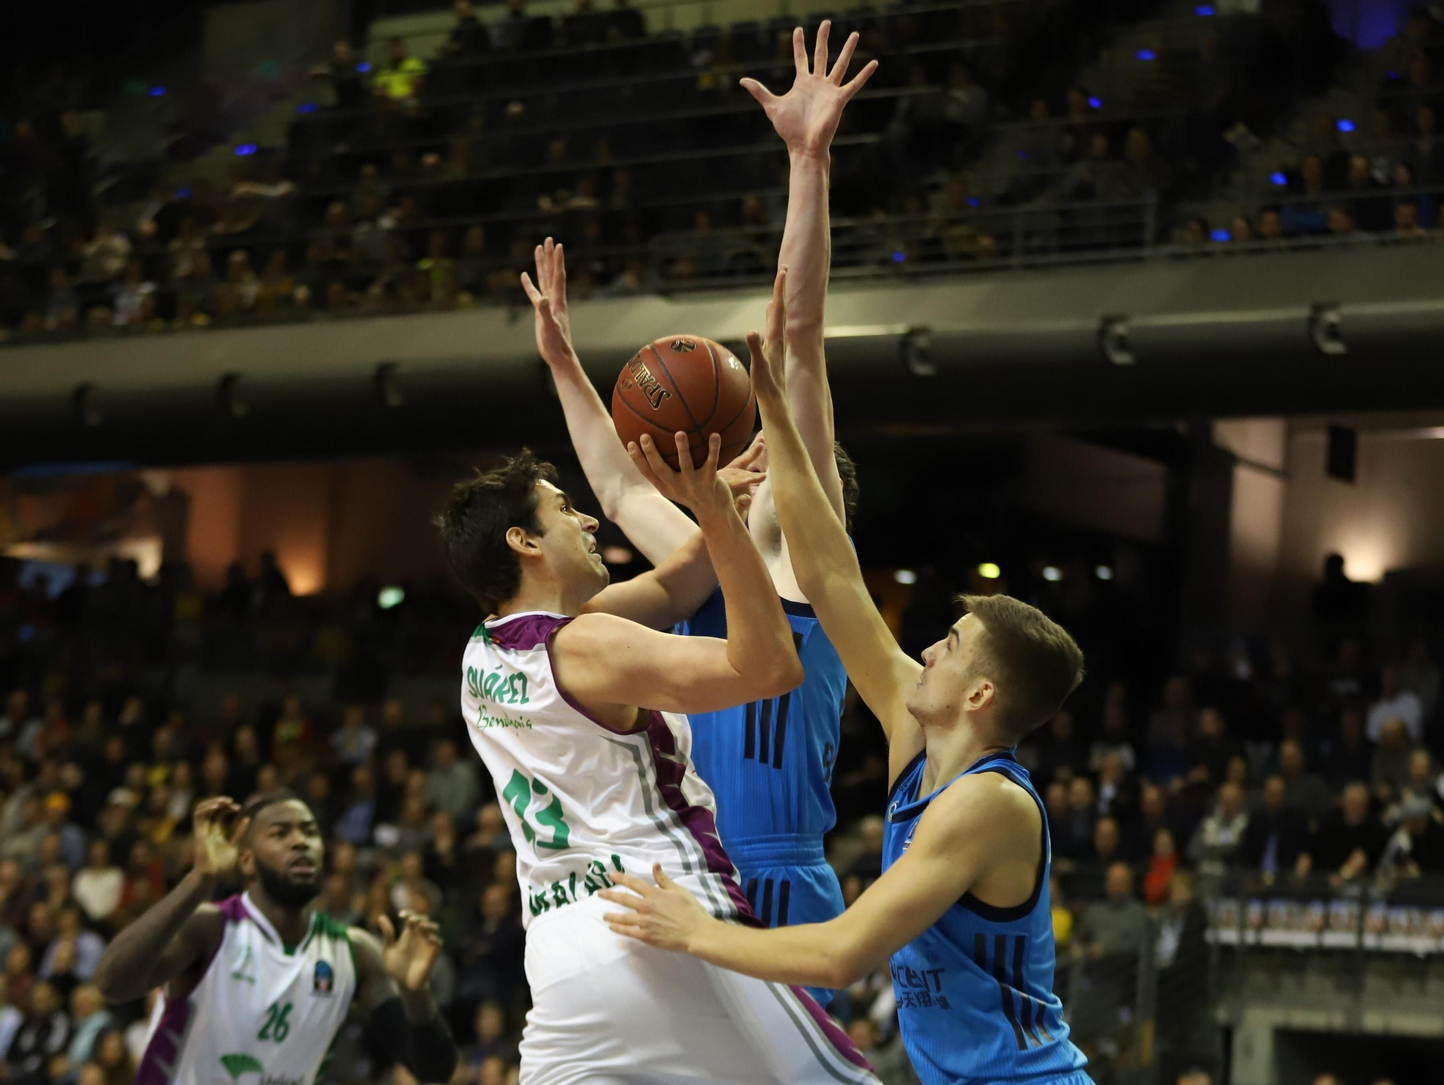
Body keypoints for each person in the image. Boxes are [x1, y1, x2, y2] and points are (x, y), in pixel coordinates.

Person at [598, 260, 1091, 1083]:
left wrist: (694, 931)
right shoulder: (916, 738)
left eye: (951, 644)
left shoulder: (990, 803)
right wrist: (781, 408)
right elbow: (829, 571)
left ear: (980, 693)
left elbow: (840, 953)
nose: (926, 649)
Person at [520, 21, 875, 1010]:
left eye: (776, 457)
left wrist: (808, 163)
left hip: (778, 877)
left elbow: (799, 334)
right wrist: (563, 363)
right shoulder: (701, 554)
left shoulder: (806, 565)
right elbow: (617, 483)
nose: (755, 459)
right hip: (683, 871)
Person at [437, 306, 866, 1078]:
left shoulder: (483, 651)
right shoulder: (594, 641)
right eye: (563, 511)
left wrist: (716, 500)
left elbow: (667, 574)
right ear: (524, 541)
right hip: (674, 901)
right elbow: (764, 664)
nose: (586, 519)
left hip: (570, 941)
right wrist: (715, 508)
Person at [91, 793, 458, 1085]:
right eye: (280, 834)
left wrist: (415, 994)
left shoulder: (355, 951)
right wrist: (199, 880)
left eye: (309, 832)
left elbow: (434, 1072)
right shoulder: (210, 928)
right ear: (246, 861)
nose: (300, 842)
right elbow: (111, 983)